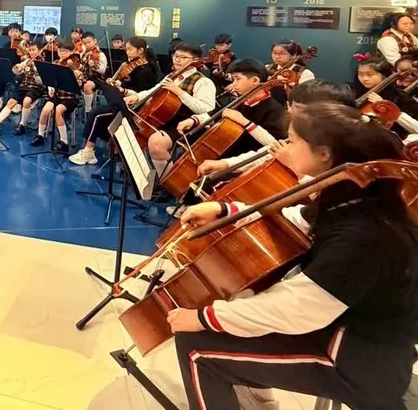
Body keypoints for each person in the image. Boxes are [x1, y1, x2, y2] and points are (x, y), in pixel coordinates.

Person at [169, 103, 418, 410]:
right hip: (342, 330)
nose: (284, 147)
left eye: (292, 141)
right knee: (239, 309)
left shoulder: (365, 234)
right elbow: (292, 221)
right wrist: (225, 210)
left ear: (324, 154)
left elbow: (298, 308)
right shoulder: (352, 198)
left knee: (195, 345)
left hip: (357, 358)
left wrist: (204, 317)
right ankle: (252, 396)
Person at [196, 79, 356, 179]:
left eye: (297, 108)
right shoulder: (302, 132)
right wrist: (226, 164)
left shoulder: (341, 149)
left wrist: (293, 166)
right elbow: (269, 151)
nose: (289, 111)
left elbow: (321, 195)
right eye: (290, 105)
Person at [126, 42, 216, 181]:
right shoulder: (172, 76)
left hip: (187, 125)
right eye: (175, 56)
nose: (177, 60)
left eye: (183, 57)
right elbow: (154, 91)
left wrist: (180, 92)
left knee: (156, 142)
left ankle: (167, 181)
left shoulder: (204, 82)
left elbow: (207, 110)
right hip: (166, 118)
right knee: (130, 127)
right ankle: (143, 172)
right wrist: (136, 97)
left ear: (195, 60)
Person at [176, 58, 287, 161]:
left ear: (255, 80)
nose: (234, 84)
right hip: (224, 152)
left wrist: (245, 122)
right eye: (233, 79)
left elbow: (276, 144)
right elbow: (216, 113)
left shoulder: (275, 110)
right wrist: (194, 120)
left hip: (244, 161)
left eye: (237, 79)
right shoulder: (239, 101)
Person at [70, 36, 159, 165]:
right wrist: (115, 83)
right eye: (126, 49)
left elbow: (142, 96)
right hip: (121, 103)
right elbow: (126, 83)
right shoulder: (130, 65)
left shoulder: (146, 71)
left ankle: (89, 151)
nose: (127, 52)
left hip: (134, 108)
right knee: (98, 113)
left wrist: (123, 90)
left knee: (97, 114)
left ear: (140, 50)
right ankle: (91, 149)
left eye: (130, 49)